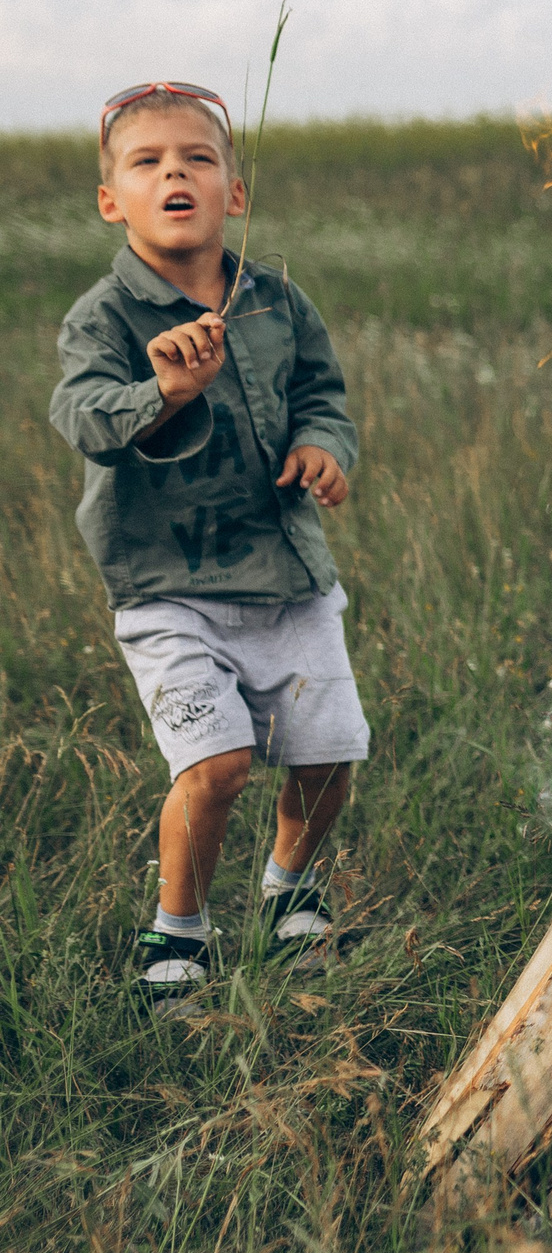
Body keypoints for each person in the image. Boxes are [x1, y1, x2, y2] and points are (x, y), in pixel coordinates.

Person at [50, 82, 368, 1005]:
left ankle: (289, 887)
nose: (173, 173)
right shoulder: (103, 318)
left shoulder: (276, 299)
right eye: (147, 163)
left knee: (326, 750)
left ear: (236, 190)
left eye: (196, 158)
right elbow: (81, 415)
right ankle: (176, 931)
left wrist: (323, 445)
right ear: (114, 199)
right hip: (167, 585)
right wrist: (166, 393)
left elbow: (322, 392)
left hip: (286, 575)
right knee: (217, 764)